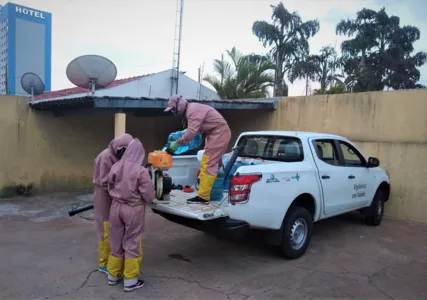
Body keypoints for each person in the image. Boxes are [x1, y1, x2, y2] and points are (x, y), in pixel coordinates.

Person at [107, 138, 155, 292]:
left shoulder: (115, 166)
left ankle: (113, 275)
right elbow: (148, 193)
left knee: (115, 240)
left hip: (115, 207)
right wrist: (151, 200)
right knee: (132, 242)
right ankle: (130, 280)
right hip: (133, 208)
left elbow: (109, 185)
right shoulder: (140, 170)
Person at [164, 95, 231, 205]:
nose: (174, 112)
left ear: (178, 104)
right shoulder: (192, 109)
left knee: (208, 162)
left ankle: (203, 197)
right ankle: (208, 193)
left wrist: (176, 144)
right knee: (211, 162)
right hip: (214, 134)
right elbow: (195, 131)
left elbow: (191, 133)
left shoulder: (192, 111)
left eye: (173, 109)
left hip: (219, 133)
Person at [93, 133, 133, 274]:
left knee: (114, 229)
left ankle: (114, 259)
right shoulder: (105, 157)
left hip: (114, 195)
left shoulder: (120, 157)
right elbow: (104, 182)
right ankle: (103, 263)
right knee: (105, 230)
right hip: (104, 196)